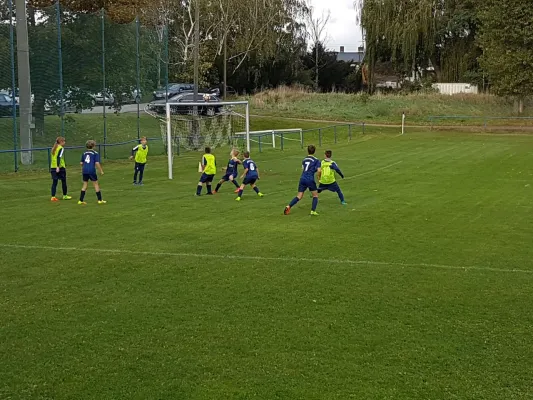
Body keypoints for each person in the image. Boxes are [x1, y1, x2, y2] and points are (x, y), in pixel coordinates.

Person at [284, 145, 321, 216]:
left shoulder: (304, 160)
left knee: (299, 196)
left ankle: (289, 206)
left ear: (307, 151)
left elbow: (303, 169)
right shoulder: (316, 160)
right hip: (310, 179)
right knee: (315, 195)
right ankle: (313, 211)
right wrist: (319, 177)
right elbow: (319, 171)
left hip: (302, 178)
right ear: (314, 151)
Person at [78, 140, 106, 205]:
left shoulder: (84, 153)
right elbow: (97, 163)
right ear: (93, 146)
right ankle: (100, 200)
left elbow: (81, 163)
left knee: (85, 184)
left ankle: (80, 200)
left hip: (85, 171)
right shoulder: (95, 153)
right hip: (91, 170)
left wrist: (84, 167)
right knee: (96, 184)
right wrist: (101, 171)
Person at [49, 136, 72, 202]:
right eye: (64, 141)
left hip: (52, 167)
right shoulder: (61, 148)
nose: (64, 143)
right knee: (63, 181)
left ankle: (53, 197)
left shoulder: (54, 148)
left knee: (54, 182)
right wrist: (58, 166)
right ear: (61, 142)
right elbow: (59, 157)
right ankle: (65, 195)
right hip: (60, 167)